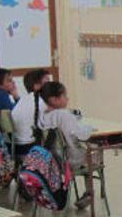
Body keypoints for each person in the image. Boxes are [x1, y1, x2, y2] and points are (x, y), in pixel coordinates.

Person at [38, 81, 95, 209]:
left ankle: (87, 193)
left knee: (86, 155)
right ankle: (89, 192)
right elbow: (81, 135)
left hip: (52, 162)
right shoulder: (64, 115)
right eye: (65, 95)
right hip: (70, 161)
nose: (67, 98)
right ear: (54, 99)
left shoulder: (42, 115)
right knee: (94, 153)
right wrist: (90, 129)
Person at [11, 69, 51, 158]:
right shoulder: (43, 101)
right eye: (47, 81)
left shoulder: (23, 100)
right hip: (31, 148)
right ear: (36, 86)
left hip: (16, 148)